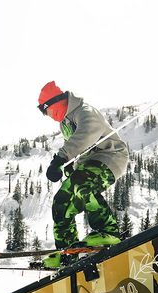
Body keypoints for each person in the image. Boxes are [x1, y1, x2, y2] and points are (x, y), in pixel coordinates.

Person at [37, 81, 129, 268]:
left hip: (110, 157)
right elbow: (81, 149)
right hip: (89, 163)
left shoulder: (85, 112)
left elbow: (85, 136)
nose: (50, 117)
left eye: (48, 112)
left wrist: (60, 159)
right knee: (61, 202)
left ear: (55, 104)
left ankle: (108, 232)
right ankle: (67, 252)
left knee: (82, 185)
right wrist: (72, 166)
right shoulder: (65, 123)